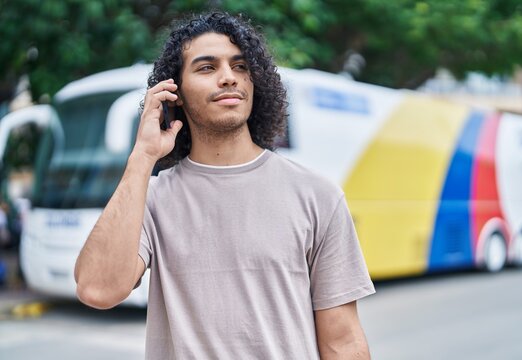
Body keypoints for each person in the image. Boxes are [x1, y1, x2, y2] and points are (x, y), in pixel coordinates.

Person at [75, 12, 375, 359]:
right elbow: (97, 289)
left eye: (241, 66)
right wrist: (143, 157)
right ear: (177, 94)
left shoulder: (318, 195)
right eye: (207, 68)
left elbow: (343, 341)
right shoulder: (153, 198)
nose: (229, 78)